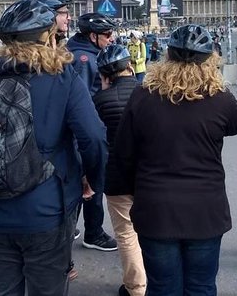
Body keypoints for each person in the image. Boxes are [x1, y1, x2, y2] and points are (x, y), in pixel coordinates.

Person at [0, 0, 108, 295]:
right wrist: (93, 179)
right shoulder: (62, 75)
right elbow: (93, 137)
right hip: (45, 208)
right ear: (48, 36)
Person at [115, 25, 237, 296]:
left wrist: (124, 192)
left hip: (156, 208)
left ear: (167, 56)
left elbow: (123, 152)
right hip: (205, 210)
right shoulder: (219, 98)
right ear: (210, 59)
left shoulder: (143, 95)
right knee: (200, 286)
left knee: (163, 287)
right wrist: (217, 82)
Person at [93, 45, 145, 296]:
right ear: (130, 68)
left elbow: (93, 139)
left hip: (116, 175)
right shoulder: (151, 94)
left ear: (104, 77)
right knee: (152, 229)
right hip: (149, 174)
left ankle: (136, 288)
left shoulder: (99, 100)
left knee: (126, 233)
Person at [66, 12, 118, 252]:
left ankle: (69, 231)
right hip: (85, 133)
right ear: (93, 35)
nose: (111, 38)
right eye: (107, 34)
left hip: (80, 133)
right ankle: (93, 233)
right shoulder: (85, 59)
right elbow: (82, 100)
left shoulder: (81, 52)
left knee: (82, 184)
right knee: (91, 182)